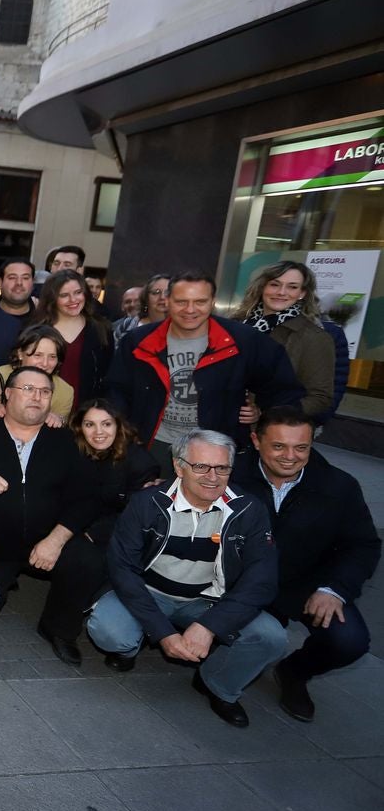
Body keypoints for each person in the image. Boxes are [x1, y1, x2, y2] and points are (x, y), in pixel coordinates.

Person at [87, 429, 286, 728]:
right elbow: (122, 568)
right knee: (109, 630)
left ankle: (217, 684)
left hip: (209, 601)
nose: (212, 477)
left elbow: (262, 579)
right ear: (179, 467)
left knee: (271, 637)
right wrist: (162, 632)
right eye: (201, 466)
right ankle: (128, 648)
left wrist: (210, 626)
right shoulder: (147, 503)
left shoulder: (248, 509)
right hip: (149, 591)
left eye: (222, 468)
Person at [235, 407, 380, 723]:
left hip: (308, 581)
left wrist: (334, 589)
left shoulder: (339, 486)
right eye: (279, 446)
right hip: (244, 579)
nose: (290, 456)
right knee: (238, 645)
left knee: (349, 641)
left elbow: (364, 545)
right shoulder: (230, 474)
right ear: (256, 441)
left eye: (301, 447)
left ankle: (294, 673)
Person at [0, 367, 101, 666]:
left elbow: (86, 498)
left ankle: (59, 629)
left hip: (45, 540)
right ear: (8, 394)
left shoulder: (66, 440)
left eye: (44, 392)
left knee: (86, 559)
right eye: (27, 389)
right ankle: (1, 587)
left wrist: (56, 539)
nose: (37, 397)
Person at [105, 271, 305, 465]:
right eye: (181, 301)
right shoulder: (138, 340)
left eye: (200, 302)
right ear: (168, 301)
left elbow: (283, 391)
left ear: (212, 302)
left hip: (217, 450)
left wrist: (260, 415)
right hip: (152, 445)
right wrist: (126, 437)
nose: (190, 310)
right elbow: (117, 391)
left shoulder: (244, 341)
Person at [232, 261, 335, 422]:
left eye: (292, 287)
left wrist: (266, 413)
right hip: (219, 418)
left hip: (265, 430)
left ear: (302, 293)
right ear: (262, 287)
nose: (281, 292)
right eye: (275, 284)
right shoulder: (236, 325)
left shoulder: (313, 337)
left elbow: (319, 398)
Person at [69, 399, 161, 547]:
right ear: (80, 427)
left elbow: (137, 514)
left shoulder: (139, 461)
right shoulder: (75, 450)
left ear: (118, 426)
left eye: (106, 424)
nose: (98, 431)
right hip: (74, 524)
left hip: (113, 536)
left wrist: (93, 534)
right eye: (89, 424)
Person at [30, 269, 113, 402]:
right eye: (64, 295)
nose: (73, 300)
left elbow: (107, 374)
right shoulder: (36, 329)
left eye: (78, 293)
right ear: (52, 298)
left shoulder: (101, 329)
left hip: (85, 409)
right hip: (43, 405)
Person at [0, 325, 74, 425]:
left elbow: (60, 427)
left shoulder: (64, 392)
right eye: (38, 355)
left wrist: (59, 420)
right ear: (20, 354)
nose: (45, 363)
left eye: (52, 357)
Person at [112, 273, 169, 343]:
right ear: (146, 297)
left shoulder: (181, 327)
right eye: (156, 292)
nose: (162, 297)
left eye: (168, 292)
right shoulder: (127, 324)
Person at [0, 257, 36, 322]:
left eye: (25, 278)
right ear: (0, 283)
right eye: (12, 278)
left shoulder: (44, 318)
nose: (19, 283)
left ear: (33, 283)